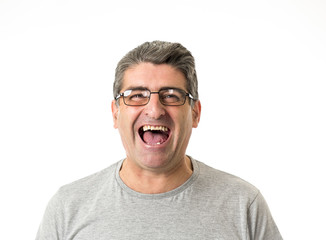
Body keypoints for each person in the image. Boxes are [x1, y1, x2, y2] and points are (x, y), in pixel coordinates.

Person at [36, 40, 283, 240]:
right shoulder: (67, 208)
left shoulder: (243, 205)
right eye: (136, 95)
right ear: (115, 113)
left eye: (172, 95)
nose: (154, 110)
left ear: (195, 113)